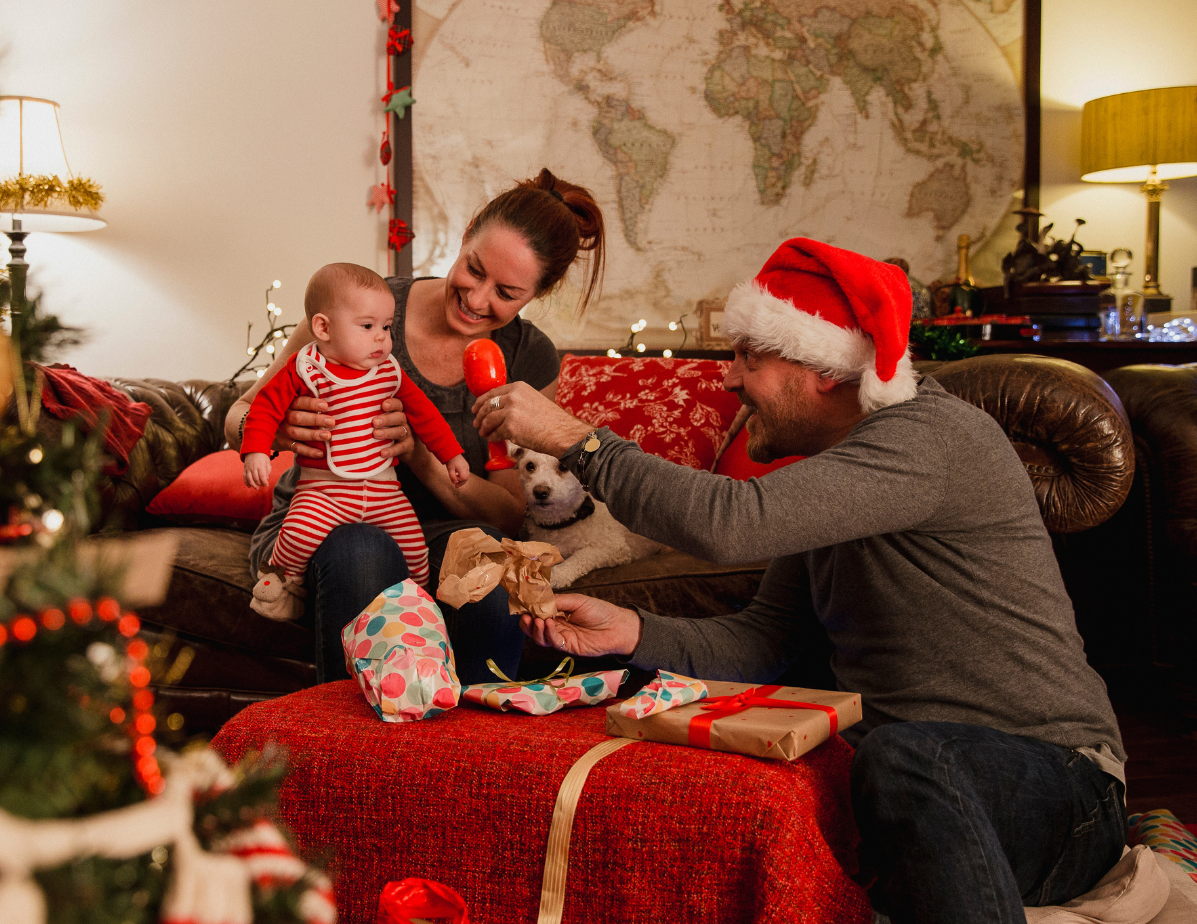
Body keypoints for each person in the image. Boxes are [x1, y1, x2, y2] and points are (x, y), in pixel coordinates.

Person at [471, 237, 1126, 923]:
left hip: (1063, 788)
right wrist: (632, 631)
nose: (729, 381)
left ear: (824, 370)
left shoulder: (931, 438)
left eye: (749, 358)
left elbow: (730, 523)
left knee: (906, 758)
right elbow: (766, 642)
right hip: (917, 784)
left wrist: (582, 442)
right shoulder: (838, 475)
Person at [223, 168, 606, 685]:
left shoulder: (528, 358)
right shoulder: (364, 308)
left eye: (506, 293)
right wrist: (284, 430)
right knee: (364, 551)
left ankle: (468, 749)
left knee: (489, 567)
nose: (476, 299)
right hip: (323, 523)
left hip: (433, 535)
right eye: (474, 269)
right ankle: (347, 751)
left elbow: (510, 514)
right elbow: (237, 418)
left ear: (535, 295)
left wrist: (421, 456)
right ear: (466, 232)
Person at [240, 263, 470, 619]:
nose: (381, 337)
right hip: (323, 493)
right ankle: (284, 585)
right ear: (323, 328)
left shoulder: (389, 372)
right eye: (367, 326)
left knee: (414, 546)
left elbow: (426, 416)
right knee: (299, 533)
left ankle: (423, 602)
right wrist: (256, 449)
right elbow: (263, 408)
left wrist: (451, 455)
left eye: (386, 327)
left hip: (385, 493)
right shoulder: (305, 369)